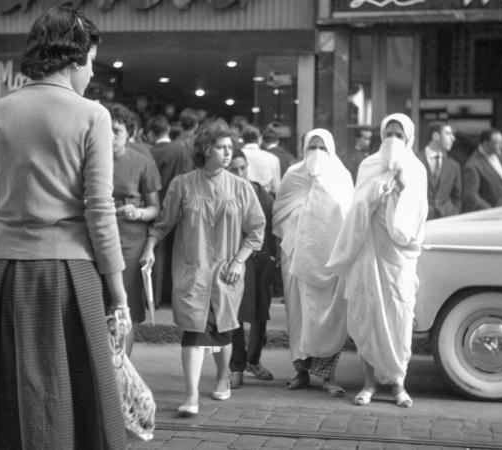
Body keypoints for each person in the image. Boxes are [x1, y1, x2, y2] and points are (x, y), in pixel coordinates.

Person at [0, 7, 130, 449]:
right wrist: (120, 289)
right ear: (72, 59)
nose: (91, 72)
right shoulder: (93, 116)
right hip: (71, 273)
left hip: (2, 272)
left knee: (2, 397)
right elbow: (99, 209)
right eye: (90, 61)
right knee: (75, 396)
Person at [140, 121, 265, 417]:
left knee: (223, 331)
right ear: (206, 149)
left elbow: (256, 230)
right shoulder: (182, 185)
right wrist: (149, 250)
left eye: (229, 148)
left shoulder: (241, 188)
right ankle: (191, 394)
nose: (227, 153)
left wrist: (239, 260)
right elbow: (163, 224)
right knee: (194, 332)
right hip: (192, 270)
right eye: (221, 148)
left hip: (226, 272)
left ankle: (223, 377)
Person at [326, 113, 427, 408]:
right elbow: (356, 209)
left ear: (409, 138)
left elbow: (417, 216)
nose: (393, 139)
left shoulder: (416, 169)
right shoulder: (368, 166)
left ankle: (398, 384)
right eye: (388, 134)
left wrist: (403, 188)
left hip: (398, 258)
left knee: (398, 317)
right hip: (368, 254)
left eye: (399, 134)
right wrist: (376, 191)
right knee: (368, 316)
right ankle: (368, 383)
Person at [273, 128, 354, 397]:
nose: (316, 153)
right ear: (304, 149)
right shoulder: (293, 175)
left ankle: (328, 376)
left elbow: (347, 215)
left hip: (329, 260)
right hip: (296, 258)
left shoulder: (340, 176)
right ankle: (301, 372)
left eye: (322, 147)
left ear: (330, 150)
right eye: (312, 147)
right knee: (299, 317)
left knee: (327, 316)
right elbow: (281, 212)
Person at [104, 102, 161, 355]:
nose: (110, 136)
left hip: (130, 239)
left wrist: (138, 213)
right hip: (94, 235)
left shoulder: (143, 163)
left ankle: (123, 369)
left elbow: (155, 208)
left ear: (130, 133)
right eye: (105, 129)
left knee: (124, 305)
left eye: (116, 130)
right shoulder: (89, 159)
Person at [226, 149, 277, 389]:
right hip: (236, 260)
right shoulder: (225, 193)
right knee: (236, 314)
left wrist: (273, 257)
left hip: (261, 260)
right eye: (233, 169)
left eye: (242, 168)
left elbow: (272, 227)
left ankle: (253, 360)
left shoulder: (260, 193)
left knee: (260, 315)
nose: (239, 173)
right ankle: (236, 366)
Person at [147, 114, 194, 306]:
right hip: (178, 206)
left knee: (157, 252)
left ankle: (155, 298)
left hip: (154, 206)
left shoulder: (148, 152)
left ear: (150, 133)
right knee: (179, 253)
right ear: (168, 130)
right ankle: (174, 295)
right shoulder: (181, 151)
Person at [462, 128, 502, 212]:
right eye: (498, 143)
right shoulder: (472, 165)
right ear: (486, 144)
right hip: (492, 215)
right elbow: (470, 196)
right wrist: (490, 211)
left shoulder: (499, 155)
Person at [417, 121, 461, 219]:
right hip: (419, 220)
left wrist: (453, 213)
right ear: (436, 136)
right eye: (448, 134)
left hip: (446, 221)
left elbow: (457, 198)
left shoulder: (453, 166)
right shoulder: (414, 161)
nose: (453, 138)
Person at [241, 124, 281, 196]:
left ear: (243, 139)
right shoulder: (272, 158)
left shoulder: (236, 156)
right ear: (259, 138)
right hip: (264, 198)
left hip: (243, 196)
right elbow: (276, 188)